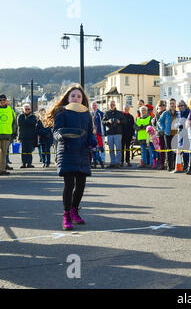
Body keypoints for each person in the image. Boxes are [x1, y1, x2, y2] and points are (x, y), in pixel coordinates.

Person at [45, 84, 96, 231]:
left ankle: (74, 210)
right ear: (67, 97)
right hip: (67, 151)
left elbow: (89, 133)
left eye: (79, 96)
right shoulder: (62, 112)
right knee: (69, 185)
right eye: (73, 95)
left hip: (82, 152)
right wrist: (60, 136)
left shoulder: (87, 114)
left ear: (82, 99)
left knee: (81, 185)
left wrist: (92, 140)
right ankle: (66, 214)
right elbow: (56, 132)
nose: (76, 98)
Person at [102, 100, 126, 168]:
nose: (112, 106)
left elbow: (124, 121)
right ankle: (112, 162)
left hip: (118, 133)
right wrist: (108, 121)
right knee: (111, 149)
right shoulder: (106, 113)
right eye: (111, 105)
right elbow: (103, 122)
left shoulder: (119, 113)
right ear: (108, 105)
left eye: (113, 104)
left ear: (115, 105)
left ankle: (117, 162)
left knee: (118, 149)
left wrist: (119, 121)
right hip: (110, 133)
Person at [157, 98, 178, 171]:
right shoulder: (165, 113)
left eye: (173, 103)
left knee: (175, 150)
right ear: (169, 105)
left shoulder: (178, 113)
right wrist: (164, 129)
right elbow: (159, 122)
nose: (172, 105)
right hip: (168, 134)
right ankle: (169, 166)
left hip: (175, 133)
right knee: (169, 150)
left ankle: (175, 165)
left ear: (175, 104)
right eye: (171, 103)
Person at [0, 94, 17, 176]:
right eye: (0, 100)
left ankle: (2, 169)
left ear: (6, 101)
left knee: (4, 153)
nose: (2, 101)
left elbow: (14, 123)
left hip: (6, 135)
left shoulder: (10, 110)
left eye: (4, 100)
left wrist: (13, 133)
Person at [17, 103, 38, 169]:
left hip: (30, 136)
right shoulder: (20, 116)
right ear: (23, 109)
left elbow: (33, 123)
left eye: (28, 109)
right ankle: (23, 163)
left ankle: (29, 163)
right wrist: (28, 122)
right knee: (23, 151)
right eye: (26, 109)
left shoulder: (33, 116)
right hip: (23, 136)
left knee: (29, 151)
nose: (27, 110)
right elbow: (20, 123)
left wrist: (26, 121)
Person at [152, 100, 167, 170]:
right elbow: (154, 124)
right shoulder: (157, 114)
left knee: (167, 149)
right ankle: (161, 164)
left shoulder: (167, 113)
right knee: (161, 150)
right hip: (159, 134)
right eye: (160, 105)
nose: (162, 107)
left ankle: (168, 163)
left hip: (166, 133)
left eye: (163, 105)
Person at [176, 100, 190, 171]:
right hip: (180, 133)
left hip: (187, 133)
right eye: (179, 106)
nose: (180, 107)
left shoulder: (188, 112)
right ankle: (184, 165)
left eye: (182, 105)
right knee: (181, 149)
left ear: (185, 105)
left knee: (186, 150)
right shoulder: (178, 113)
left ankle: (187, 165)